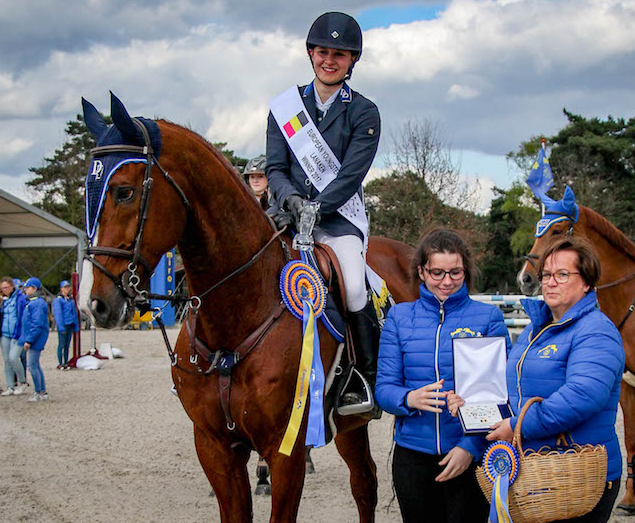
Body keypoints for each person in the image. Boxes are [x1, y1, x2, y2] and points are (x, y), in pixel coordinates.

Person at [448, 237, 624, 523]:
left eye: (562, 274)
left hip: (577, 475)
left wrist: (517, 426)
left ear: (587, 283)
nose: (550, 282)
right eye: (546, 275)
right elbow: (514, 389)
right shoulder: (535, 329)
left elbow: (580, 398)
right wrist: (473, 405)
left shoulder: (596, 332)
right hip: (538, 471)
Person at [266, 12, 381, 410]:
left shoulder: (364, 112)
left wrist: (316, 207)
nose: (329, 60)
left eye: (340, 54)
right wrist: (291, 201)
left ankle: (364, 378)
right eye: (323, 51)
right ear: (311, 53)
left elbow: (351, 175)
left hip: (338, 221)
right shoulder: (285, 109)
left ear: (352, 61)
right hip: (287, 218)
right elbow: (276, 169)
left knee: (351, 286)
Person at [375, 228, 510, 523]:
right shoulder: (399, 317)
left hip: (469, 455)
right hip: (412, 456)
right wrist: (408, 398)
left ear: (466, 271)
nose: (447, 282)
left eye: (455, 272)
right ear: (422, 271)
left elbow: (501, 396)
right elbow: (384, 388)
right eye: (437, 272)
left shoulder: (488, 319)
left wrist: (470, 447)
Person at [19, 277, 50, 402]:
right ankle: (42, 391)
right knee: (35, 365)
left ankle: (39, 391)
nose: (25, 290)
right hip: (34, 338)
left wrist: (29, 340)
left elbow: (37, 324)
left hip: (35, 339)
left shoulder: (36, 303)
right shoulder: (34, 302)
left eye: (27, 287)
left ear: (34, 288)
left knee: (32, 366)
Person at [0, 276, 28, 396]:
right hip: (5, 333)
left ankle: (22, 382)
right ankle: (10, 386)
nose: (4, 290)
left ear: (12, 286)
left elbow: (23, 316)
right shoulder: (4, 300)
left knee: (13, 357)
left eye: (6, 287)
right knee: (6, 360)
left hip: (17, 334)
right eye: (2, 288)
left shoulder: (20, 299)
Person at [52, 280, 79, 369]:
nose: (67, 289)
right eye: (65, 287)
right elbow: (58, 314)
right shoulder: (58, 300)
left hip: (70, 324)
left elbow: (74, 313)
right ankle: (60, 363)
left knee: (67, 345)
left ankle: (66, 362)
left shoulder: (70, 300)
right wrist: (60, 327)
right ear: (61, 289)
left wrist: (76, 325)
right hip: (63, 325)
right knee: (61, 345)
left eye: (68, 287)